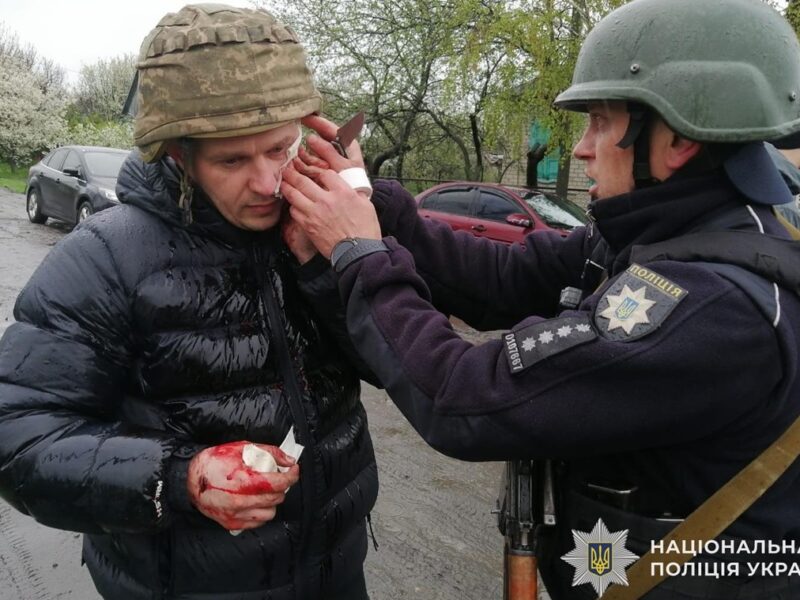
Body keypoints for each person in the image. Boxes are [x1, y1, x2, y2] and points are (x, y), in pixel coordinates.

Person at [280, 0, 800, 597]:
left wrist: (358, 252)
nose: (581, 148)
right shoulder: (665, 232)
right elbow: (502, 276)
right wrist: (367, 195)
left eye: (600, 122)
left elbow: (464, 397)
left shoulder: (716, 307)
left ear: (676, 139)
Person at [0, 5, 377, 600]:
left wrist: (338, 263)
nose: (268, 183)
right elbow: (20, 437)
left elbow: (387, 365)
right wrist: (179, 480)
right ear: (179, 156)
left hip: (336, 570)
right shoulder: (105, 259)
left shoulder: (323, 225)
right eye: (232, 160)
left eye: (281, 149)